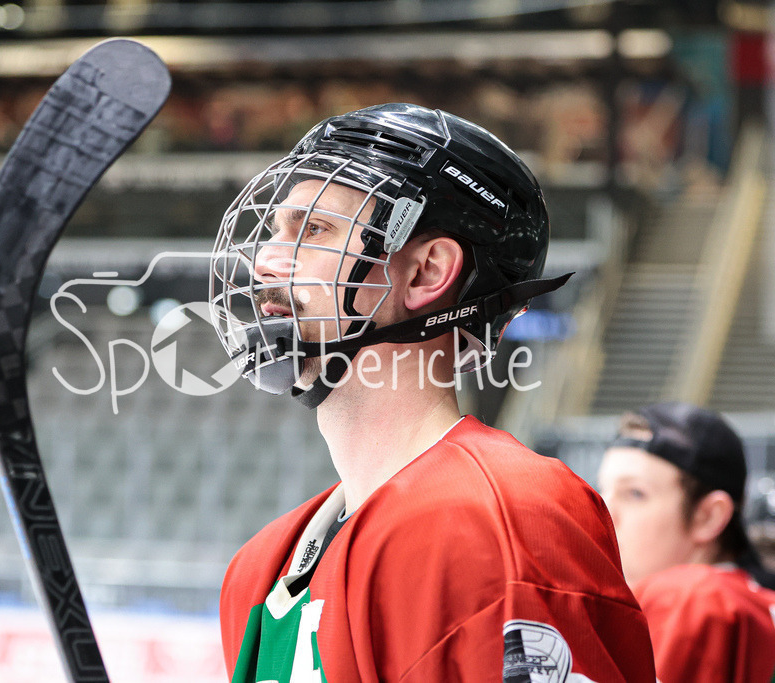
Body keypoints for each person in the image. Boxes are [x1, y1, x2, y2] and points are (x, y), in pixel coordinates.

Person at [207, 103, 656, 682]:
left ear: (425, 273)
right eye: (276, 232)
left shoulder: (501, 518)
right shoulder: (256, 570)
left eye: (314, 229)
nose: (266, 261)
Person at [597, 402, 775, 683]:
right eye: (600, 492)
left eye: (635, 494)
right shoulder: (741, 600)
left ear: (708, 517)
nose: (602, 512)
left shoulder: (692, 597)